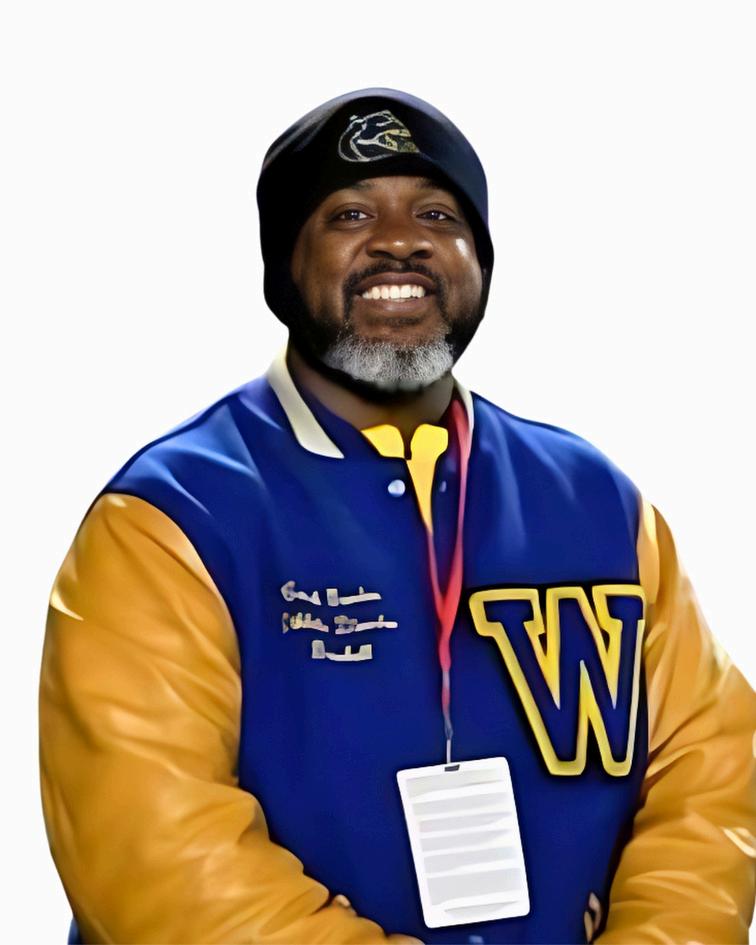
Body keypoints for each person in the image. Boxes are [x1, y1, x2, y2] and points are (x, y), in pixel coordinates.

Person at [39, 87, 756, 945]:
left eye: (437, 213)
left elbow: (710, 772)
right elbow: (155, 855)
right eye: (349, 214)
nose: (400, 239)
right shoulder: (171, 518)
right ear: (282, 264)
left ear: (480, 259)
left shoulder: (599, 501)